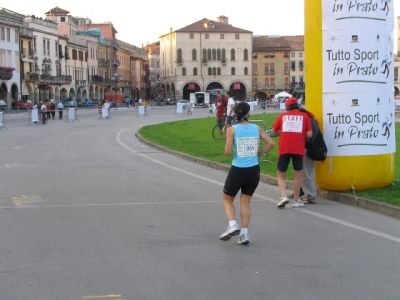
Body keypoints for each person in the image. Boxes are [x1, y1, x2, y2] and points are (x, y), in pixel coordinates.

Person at [220, 102, 275, 245]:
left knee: (227, 199)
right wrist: (258, 153)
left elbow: (227, 153)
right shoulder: (256, 128)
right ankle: (244, 234)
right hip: (253, 170)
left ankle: (232, 224)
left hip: (238, 169)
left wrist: (229, 141)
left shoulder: (232, 130)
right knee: (245, 201)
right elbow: (271, 143)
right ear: (248, 114)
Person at [272, 97, 312, 208]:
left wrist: (284, 132)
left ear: (287, 107)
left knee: (281, 174)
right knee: (298, 175)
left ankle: (284, 195)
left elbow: (274, 131)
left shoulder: (282, 116)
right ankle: (296, 199)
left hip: (284, 148)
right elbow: (309, 134)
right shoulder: (304, 116)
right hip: (298, 149)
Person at [298, 108, 319, 204]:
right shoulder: (312, 121)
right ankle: (308, 193)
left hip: (309, 151)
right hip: (311, 150)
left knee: (306, 173)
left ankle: (311, 195)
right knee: (308, 172)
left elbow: (309, 139)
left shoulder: (309, 123)